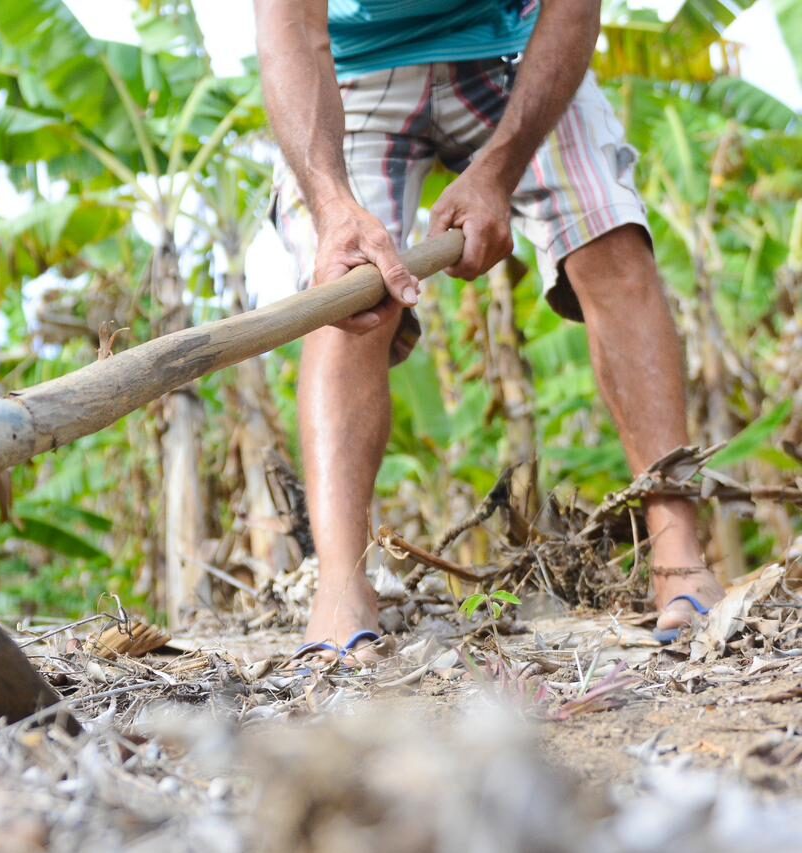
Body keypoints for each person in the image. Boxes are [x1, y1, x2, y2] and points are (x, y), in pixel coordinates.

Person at [253, 0, 724, 655]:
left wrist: (498, 172)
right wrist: (332, 207)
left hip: (517, 52)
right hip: (353, 72)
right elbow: (290, 27)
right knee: (346, 291)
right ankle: (340, 583)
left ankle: (679, 556)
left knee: (609, 240)